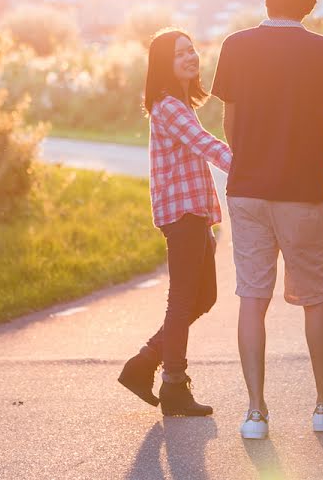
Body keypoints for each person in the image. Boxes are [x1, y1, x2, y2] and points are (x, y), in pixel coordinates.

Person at [211, 0, 323, 439]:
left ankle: (255, 413)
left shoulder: (235, 46)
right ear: (310, 2)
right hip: (301, 193)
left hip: (246, 190)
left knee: (252, 297)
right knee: (314, 298)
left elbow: (229, 123)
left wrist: (247, 159)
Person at [118, 29, 232, 417]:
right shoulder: (168, 106)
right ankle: (173, 385)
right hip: (182, 215)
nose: (191, 57)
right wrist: (253, 169)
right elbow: (207, 145)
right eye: (180, 53)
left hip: (195, 213)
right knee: (184, 300)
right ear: (164, 64)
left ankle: (145, 361)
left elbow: (201, 145)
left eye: (192, 50)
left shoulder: (181, 105)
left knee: (204, 297)